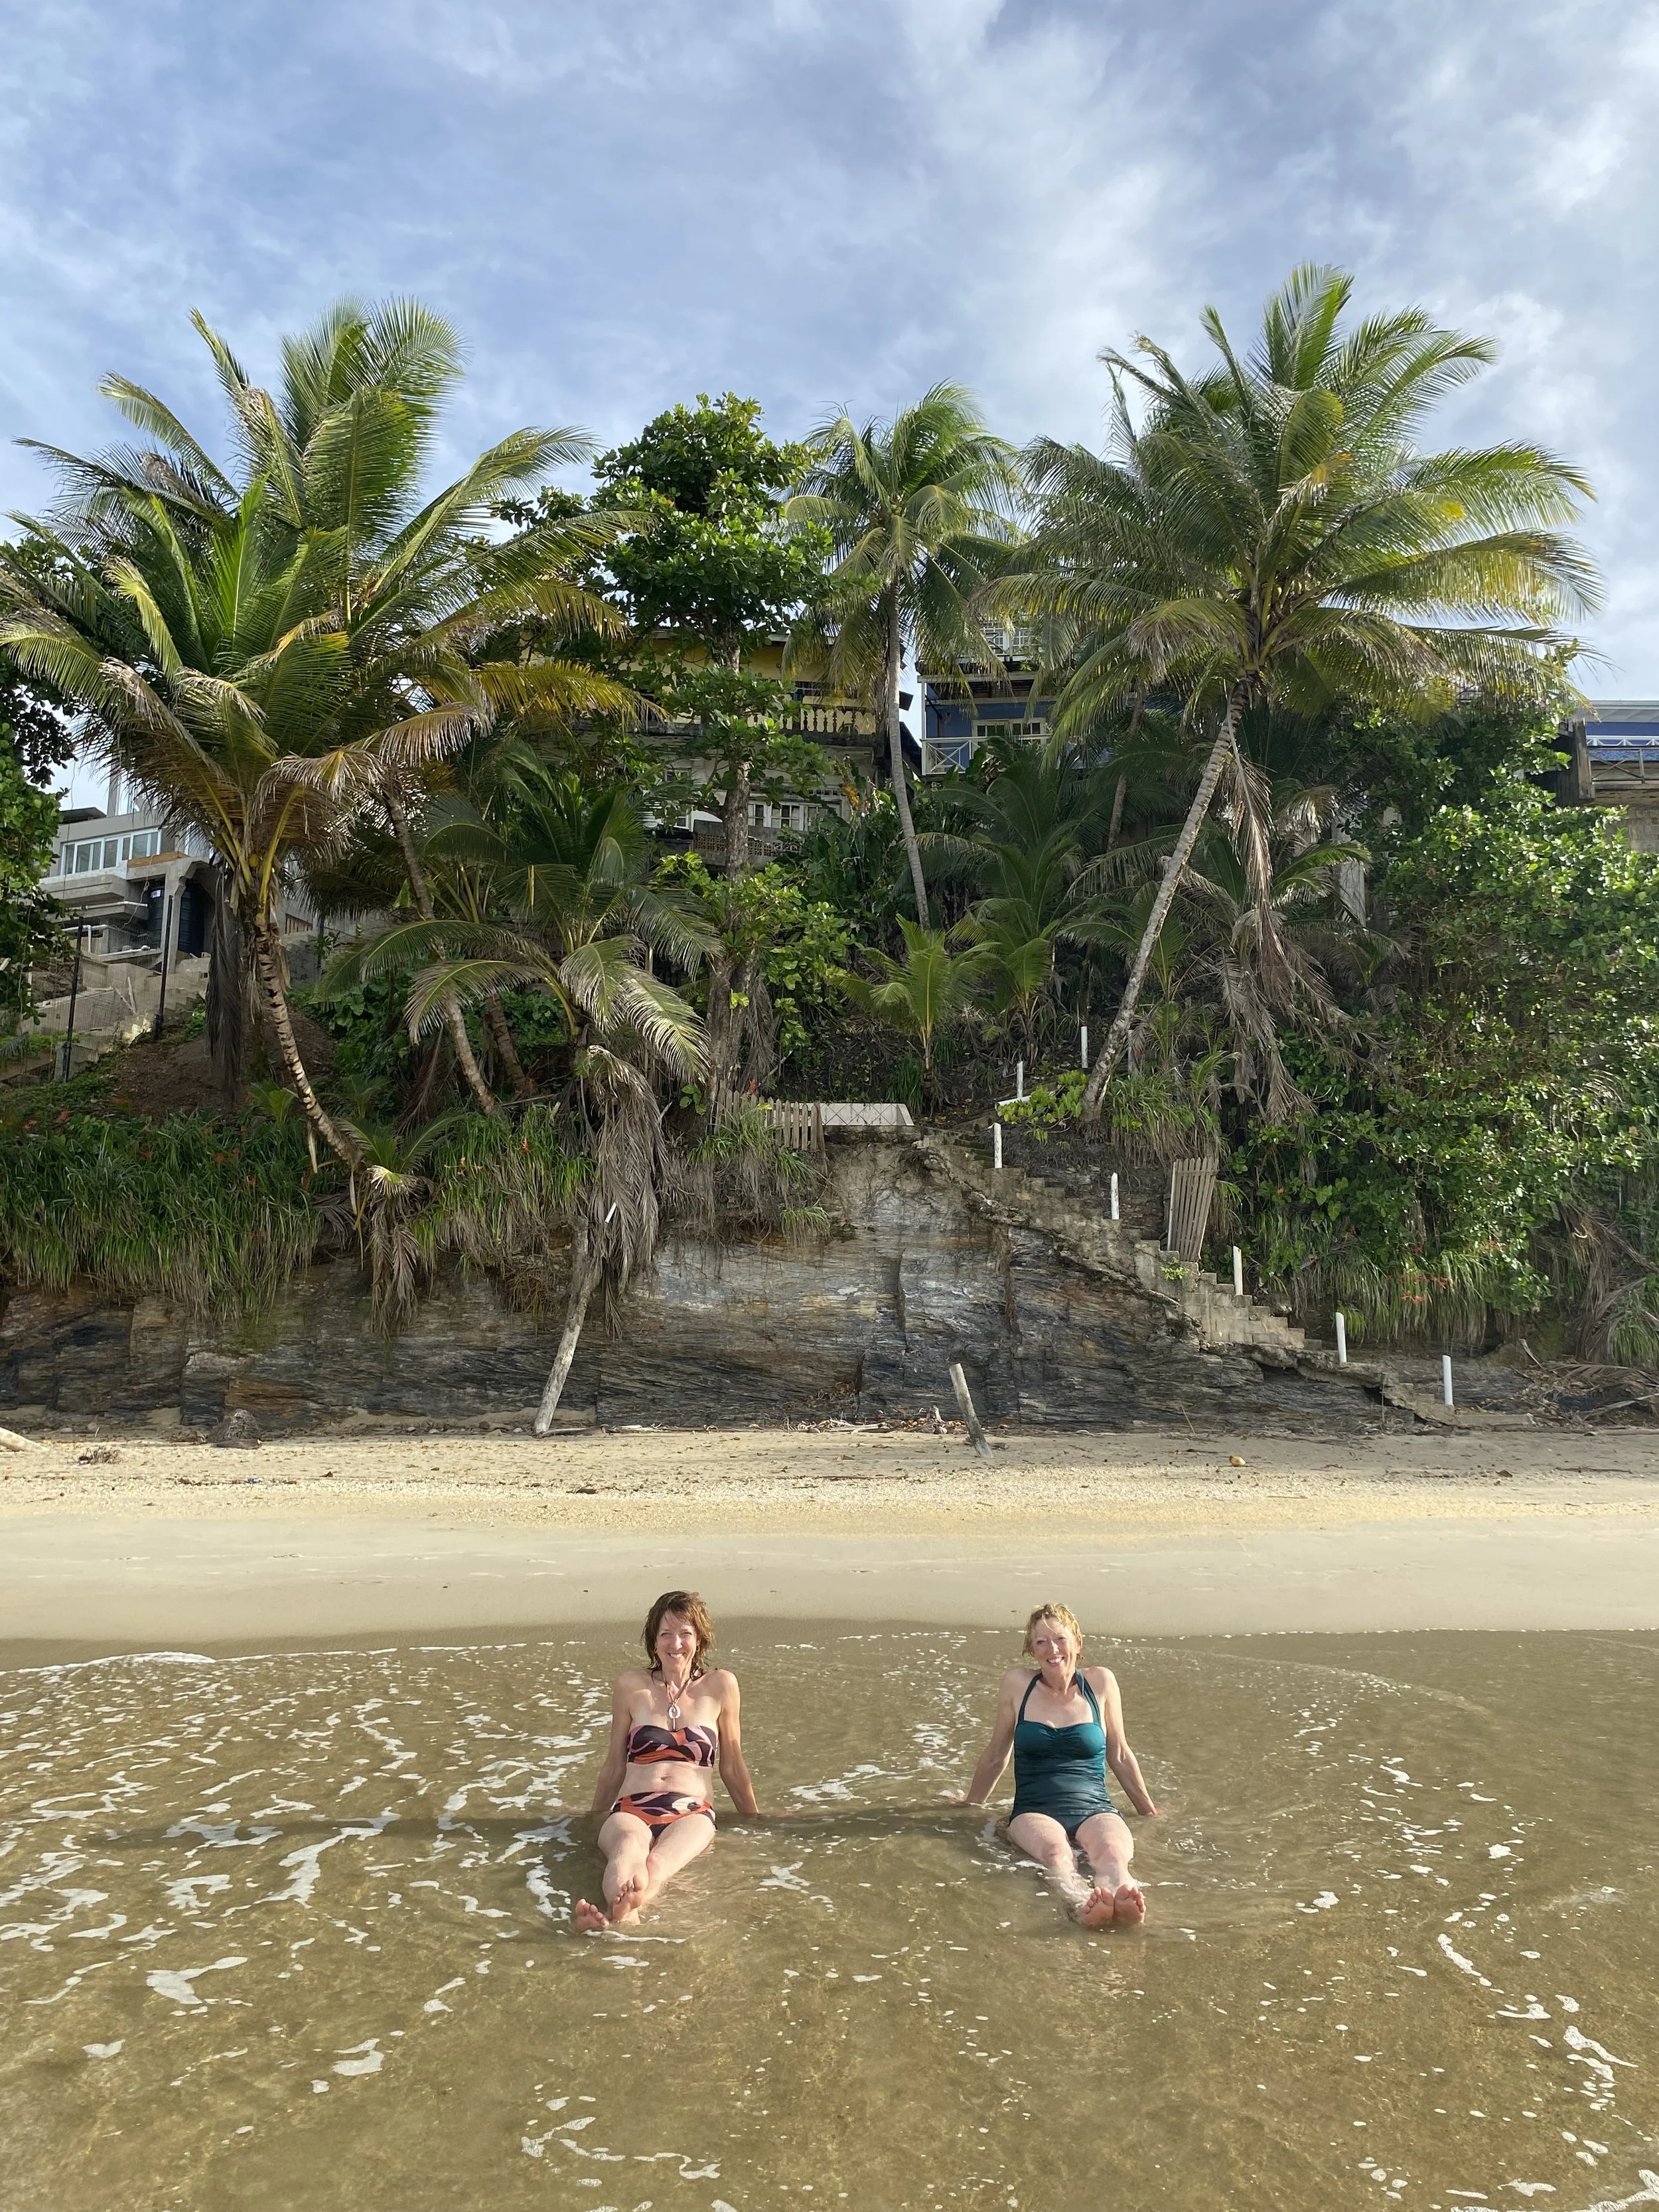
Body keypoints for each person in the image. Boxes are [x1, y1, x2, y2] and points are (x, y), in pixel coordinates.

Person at [958, 1601, 1158, 1929]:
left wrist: (1149, 1811)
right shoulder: (1017, 1685)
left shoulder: (1101, 1683)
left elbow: (1119, 1753)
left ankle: (1123, 1893)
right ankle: (1082, 1904)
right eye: (1041, 1642)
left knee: (1111, 1852)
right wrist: (969, 1805)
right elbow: (997, 1754)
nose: (1053, 1649)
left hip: (1095, 1807)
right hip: (1034, 1809)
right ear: (1031, 1650)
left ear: (1077, 1643)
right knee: (1056, 1854)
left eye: (1060, 1639)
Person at [575, 1589, 758, 1931]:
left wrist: (755, 1820)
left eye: (685, 1633)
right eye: (666, 1634)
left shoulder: (720, 1685)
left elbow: (732, 1766)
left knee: (658, 1863)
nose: (676, 1644)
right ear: (653, 1641)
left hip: (692, 1812)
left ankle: (617, 1919)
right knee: (628, 1847)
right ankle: (625, 1915)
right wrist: (592, 1819)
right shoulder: (632, 1686)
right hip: (631, 1808)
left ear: (699, 1640)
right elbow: (614, 1764)